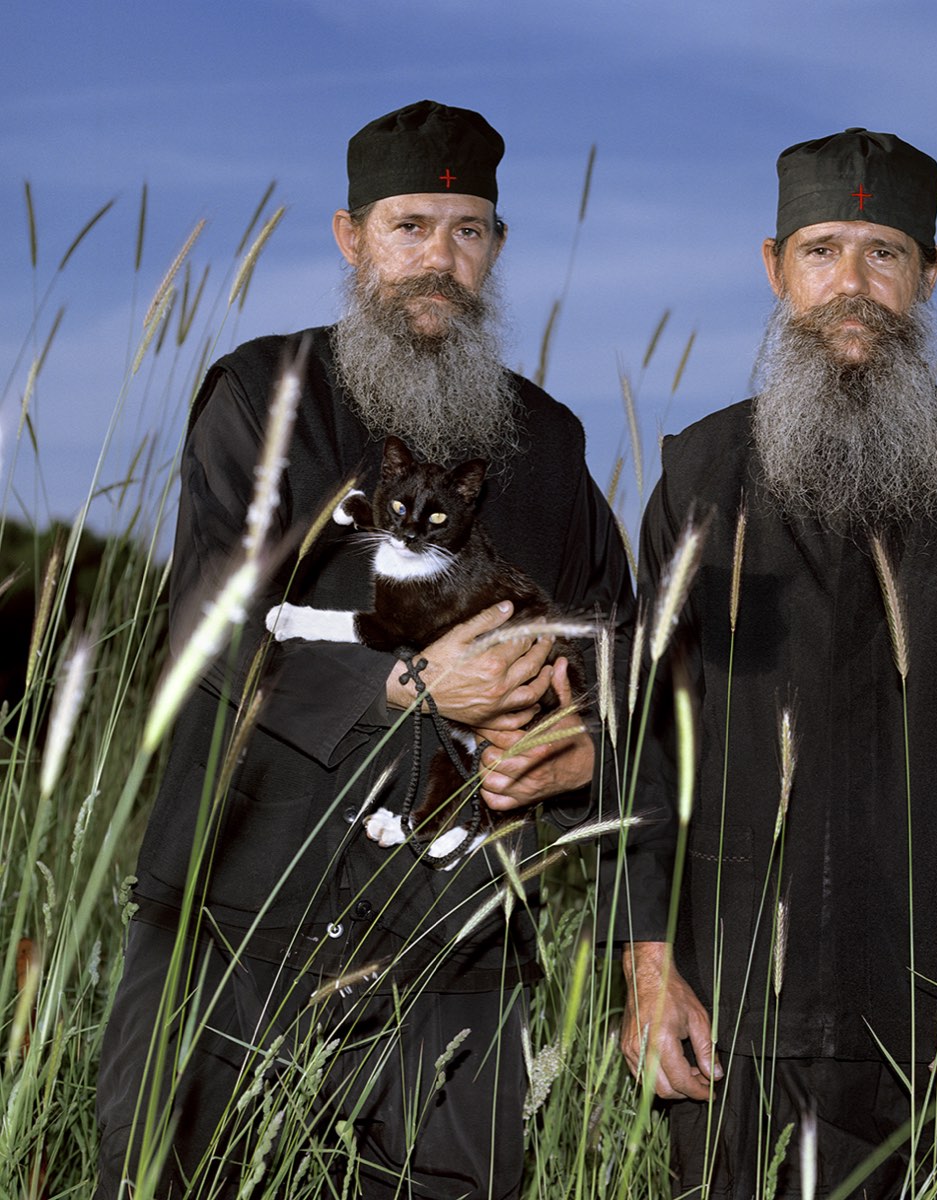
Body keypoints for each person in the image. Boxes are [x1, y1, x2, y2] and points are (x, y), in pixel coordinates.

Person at [96, 99, 633, 1199]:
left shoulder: (553, 445)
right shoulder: (262, 397)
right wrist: (409, 684)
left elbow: (621, 659)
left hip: (460, 960)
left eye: (469, 230)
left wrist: (588, 756)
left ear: (496, 248)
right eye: (410, 227)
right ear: (351, 238)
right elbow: (207, 637)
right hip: (241, 931)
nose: (440, 259)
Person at [617, 128, 937, 1197]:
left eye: (883, 253)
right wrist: (648, 966)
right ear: (775, 267)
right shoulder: (698, 481)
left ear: (928, 274)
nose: (852, 286)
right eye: (823, 250)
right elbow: (641, 745)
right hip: (739, 1006)